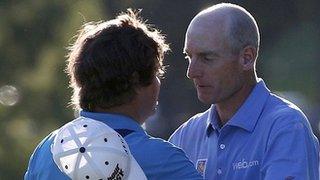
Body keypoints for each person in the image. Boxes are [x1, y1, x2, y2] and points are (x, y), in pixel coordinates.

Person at [25, 9, 202, 180]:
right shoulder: (164, 160)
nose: (158, 82)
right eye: (156, 72)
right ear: (135, 81)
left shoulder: (45, 151)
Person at [169, 3, 319, 180]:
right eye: (189, 57)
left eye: (207, 58)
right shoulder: (184, 136)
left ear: (247, 58)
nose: (191, 72)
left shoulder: (286, 127)